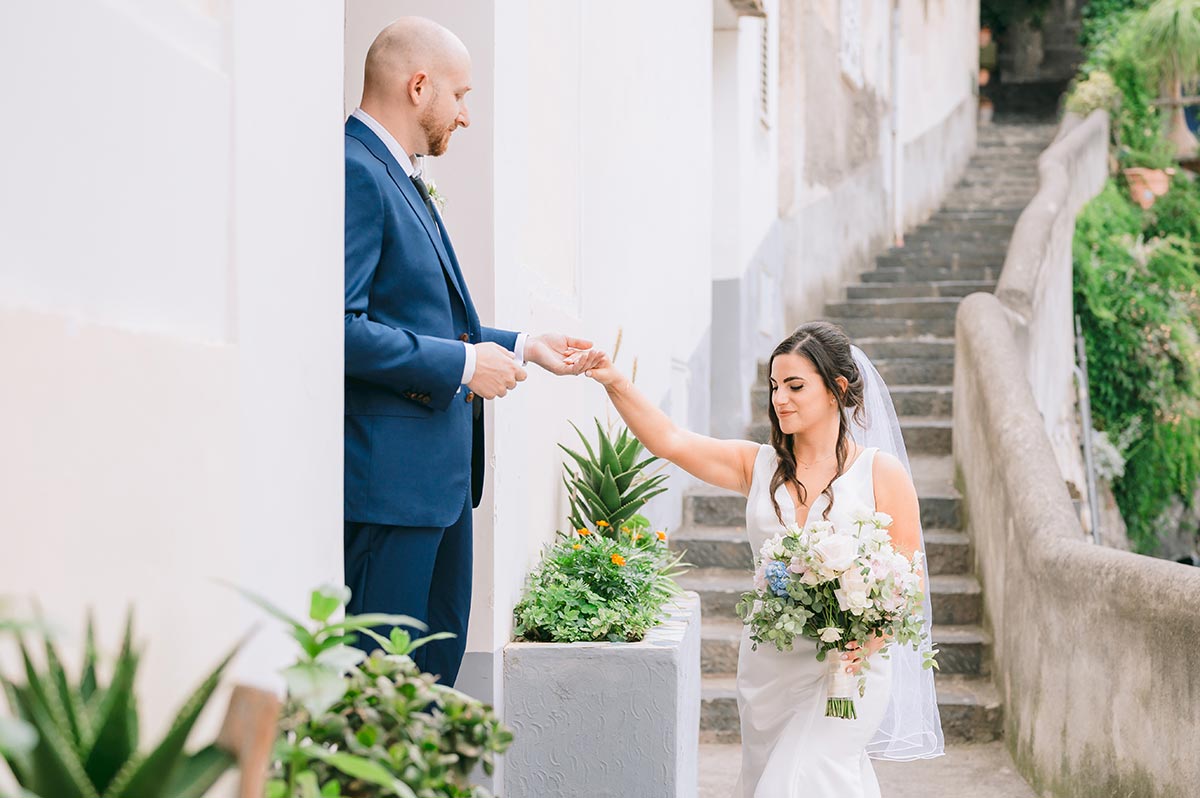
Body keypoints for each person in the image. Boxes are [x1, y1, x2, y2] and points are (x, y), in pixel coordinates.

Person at [343, 17, 600, 688]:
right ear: (418, 85)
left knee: (430, 686)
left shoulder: (399, 173)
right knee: (383, 692)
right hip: (389, 494)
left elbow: (418, 316)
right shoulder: (354, 172)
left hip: (439, 486)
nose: (463, 116)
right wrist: (464, 366)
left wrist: (520, 345)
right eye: (459, 96)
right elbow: (338, 329)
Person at [580, 321, 943, 796]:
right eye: (775, 386)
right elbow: (669, 440)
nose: (780, 399)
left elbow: (908, 577)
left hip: (848, 668)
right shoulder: (757, 465)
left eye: (795, 386)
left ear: (836, 389)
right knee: (782, 780)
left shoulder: (881, 473)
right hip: (769, 668)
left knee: (805, 777)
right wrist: (614, 379)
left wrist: (872, 637)